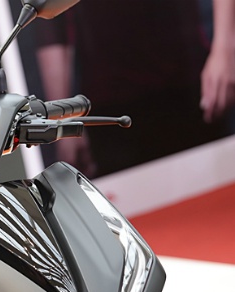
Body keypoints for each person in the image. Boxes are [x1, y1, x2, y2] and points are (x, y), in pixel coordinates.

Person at [33, 0, 235, 177]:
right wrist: (62, 120)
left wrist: (225, 49)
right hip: (111, 106)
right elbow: (51, 24)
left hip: (188, 81)